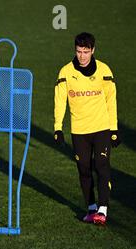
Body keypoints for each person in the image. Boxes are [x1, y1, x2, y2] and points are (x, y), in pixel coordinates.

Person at [54, 32, 120, 225]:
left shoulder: (104, 70)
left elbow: (111, 101)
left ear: (93, 50)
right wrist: (58, 128)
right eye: (79, 51)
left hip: (101, 128)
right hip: (79, 131)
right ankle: (91, 208)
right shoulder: (65, 72)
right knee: (84, 169)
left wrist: (114, 129)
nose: (82, 56)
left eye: (86, 51)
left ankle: (103, 209)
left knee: (101, 166)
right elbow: (60, 101)